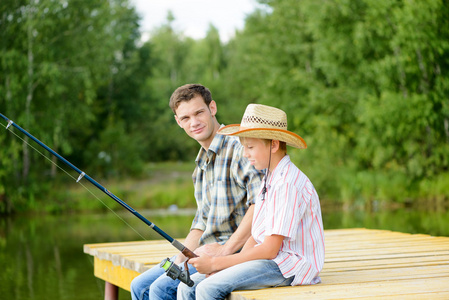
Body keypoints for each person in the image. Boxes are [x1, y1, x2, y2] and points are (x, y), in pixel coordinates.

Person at [177, 104, 325, 300]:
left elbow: (270, 249)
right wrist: (228, 264)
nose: (245, 154)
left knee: (207, 288)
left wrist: (216, 264)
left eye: (250, 147)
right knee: (187, 286)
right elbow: (256, 237)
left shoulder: (287, 183)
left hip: (288, 265)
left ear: (273, 144)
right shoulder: (269, 178)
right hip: (268, 260)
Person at [130, 84, 263, 300]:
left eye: (199, 112)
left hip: (236, 250)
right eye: (185, 118)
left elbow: (260, 205)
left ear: (212, 108)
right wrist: (180, 259)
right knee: (139, 285)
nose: (194, 123)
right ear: (178, 122)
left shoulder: (240, 148)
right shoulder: (200, 166)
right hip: (204, 250)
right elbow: (201, 223)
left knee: (160, 289)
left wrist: (224, 251)